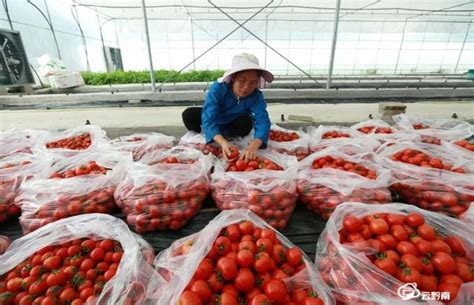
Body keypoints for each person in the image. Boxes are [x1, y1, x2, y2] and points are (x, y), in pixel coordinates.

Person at [182, 53, 273, 161]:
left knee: (245, 124)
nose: (246, 88)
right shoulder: (219, 87)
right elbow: (209, 116)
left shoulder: (256, 95)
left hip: (233, 122)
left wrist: (254, 145)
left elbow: (263, 120)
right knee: (189, 115)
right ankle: (212, 134)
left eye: (253, 83)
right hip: (217, 118)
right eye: (242, 81)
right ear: (234, 77)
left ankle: (216, 134)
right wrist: (223, 143)